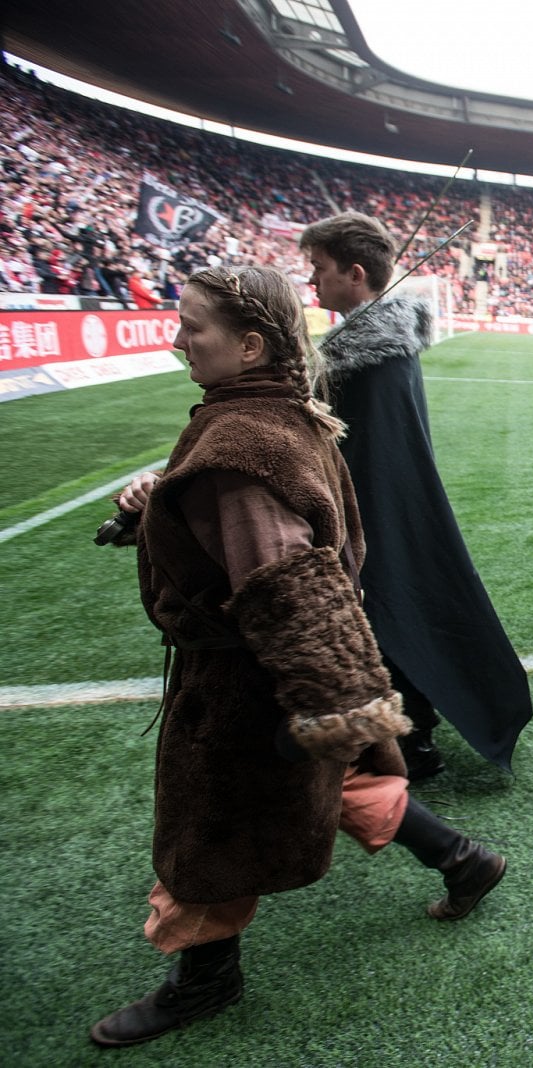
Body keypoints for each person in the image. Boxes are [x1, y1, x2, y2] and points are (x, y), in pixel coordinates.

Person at [91, 266, 505, 1048]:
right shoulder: (279, 418)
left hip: (249, 682)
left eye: (194, 327)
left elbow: (287, 581)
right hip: (283, 678)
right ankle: (462, 859)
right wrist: (166, 499)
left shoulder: (245, 443)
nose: (178, 338)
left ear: (250, 346)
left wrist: (330, 701)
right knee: (336, 777)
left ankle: (205, 980)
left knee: (207, 828)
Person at [301, 212, 531, 779]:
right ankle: (402, 730)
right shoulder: (372, 347)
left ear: (355, 275)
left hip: (375, 509)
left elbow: (367, 451)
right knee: (386, 608)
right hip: (379, 505)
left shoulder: (367, 358)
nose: (311, 281)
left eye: (319, 268)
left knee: (387, 608)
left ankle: (411, 737)